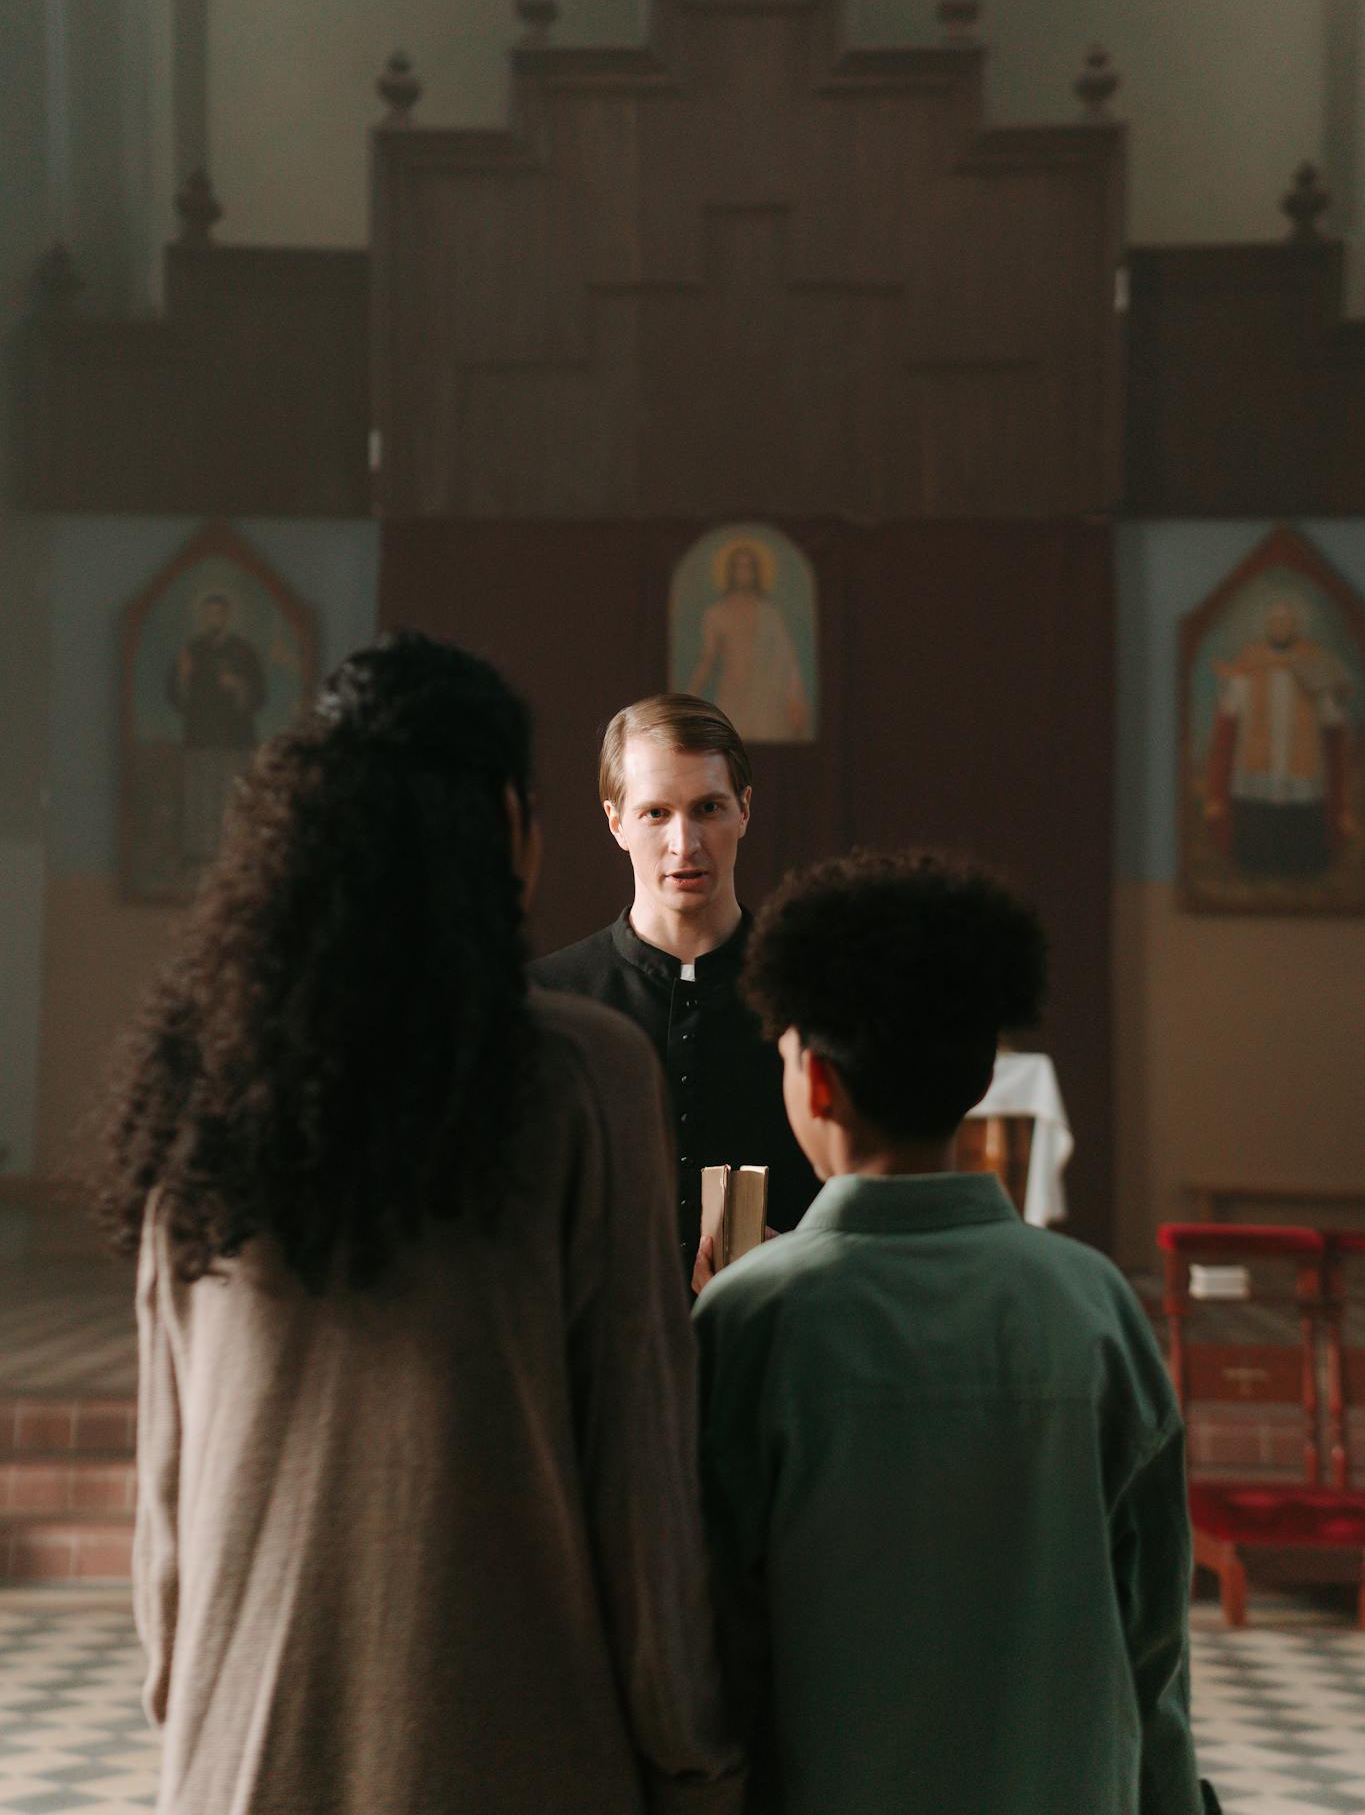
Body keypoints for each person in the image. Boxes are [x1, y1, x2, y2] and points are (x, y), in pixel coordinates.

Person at [100, 632, 743, 1815]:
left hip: (240, 1755)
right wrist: (698, 1762)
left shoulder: (203, 1087)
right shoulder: (578, 1076)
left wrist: (200, 1727)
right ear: (511, 823)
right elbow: (640, 1488)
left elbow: (168, 1512)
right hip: (513, 1754)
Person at [693, 849, 1212, 1815]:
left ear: (815, 1084)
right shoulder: (1092, 1306)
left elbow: (706, 1637)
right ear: (978, 1078)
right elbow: (1154, 1643)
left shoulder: (748, 1317)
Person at [531, 694, 817, 1286]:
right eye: (656, 813)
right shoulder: (546, 1002)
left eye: (707, 808)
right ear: (616, 822)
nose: (684, 844)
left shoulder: (813, 994)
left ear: (744, 810)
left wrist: (805, 1257)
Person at [1203, 595, 1355, 879]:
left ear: (1295, 626)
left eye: (1286, 621)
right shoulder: (1250, 660)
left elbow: (1330, 715)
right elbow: (1231, 708)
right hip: (1257, 757)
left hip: (1302, 759)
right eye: (1275, 621)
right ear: (1268, 626)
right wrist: (1228, 684)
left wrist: (1334, 694)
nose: (1280, 626)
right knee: (1258, 814)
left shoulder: (1313, 658)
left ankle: (1302, 867)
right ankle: (1255, 865)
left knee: (1300, 816)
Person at [167, 591, 268, 864]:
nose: (215, 618)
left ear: (227, 616)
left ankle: (232, 855)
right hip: (200, 736)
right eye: (209, 613)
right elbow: (176, 698)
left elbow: (260, 696)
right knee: (200, 796)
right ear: (203, 617)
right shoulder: (192, 650)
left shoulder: (244, 651)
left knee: (231, 795)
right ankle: (200, 855)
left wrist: (239, 686)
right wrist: (182, 677)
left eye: (219, 613)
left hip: (235, 737)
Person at [688, 542, 810, 743]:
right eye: (738, 567)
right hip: (733, 692)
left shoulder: (770, 614)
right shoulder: (716, 614)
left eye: (748, 567)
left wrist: (795, 696)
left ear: (756, 572)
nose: (743, 573)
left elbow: (787, 658)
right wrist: (690, 695)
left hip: (767, 694)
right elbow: (708, 659)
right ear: (731, 572)